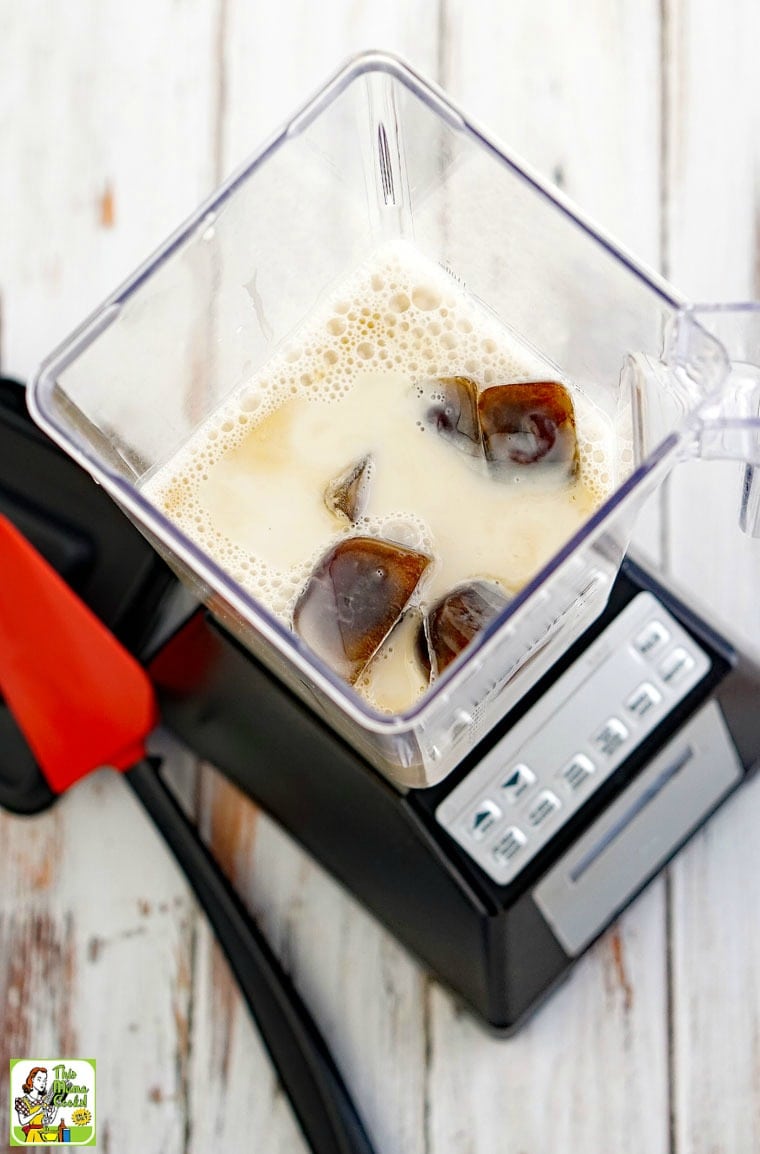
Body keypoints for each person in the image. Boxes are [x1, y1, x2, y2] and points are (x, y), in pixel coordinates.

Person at [14, 1067, 58, 1143]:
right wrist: (37, 1112)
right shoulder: (22, 1101)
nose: (42, 1083)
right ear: (32, 1079)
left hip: (43, 1135)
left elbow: (49, 1121)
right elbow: (22, 1121)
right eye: (39, 1079)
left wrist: (56, 1108)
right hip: (32, 1136)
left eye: (44, 1081)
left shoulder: (45, 1100)